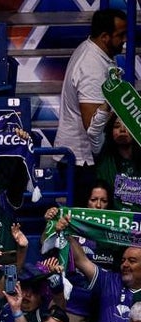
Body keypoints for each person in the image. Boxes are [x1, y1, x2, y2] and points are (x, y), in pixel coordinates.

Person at [55, 10, 127, 188]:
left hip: (85, 160)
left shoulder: (96, 52)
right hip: (82, 162)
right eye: (120, 35)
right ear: (105, 37)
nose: (125, 40)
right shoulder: (91, 67)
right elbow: (92, 126)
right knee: (87, 215)